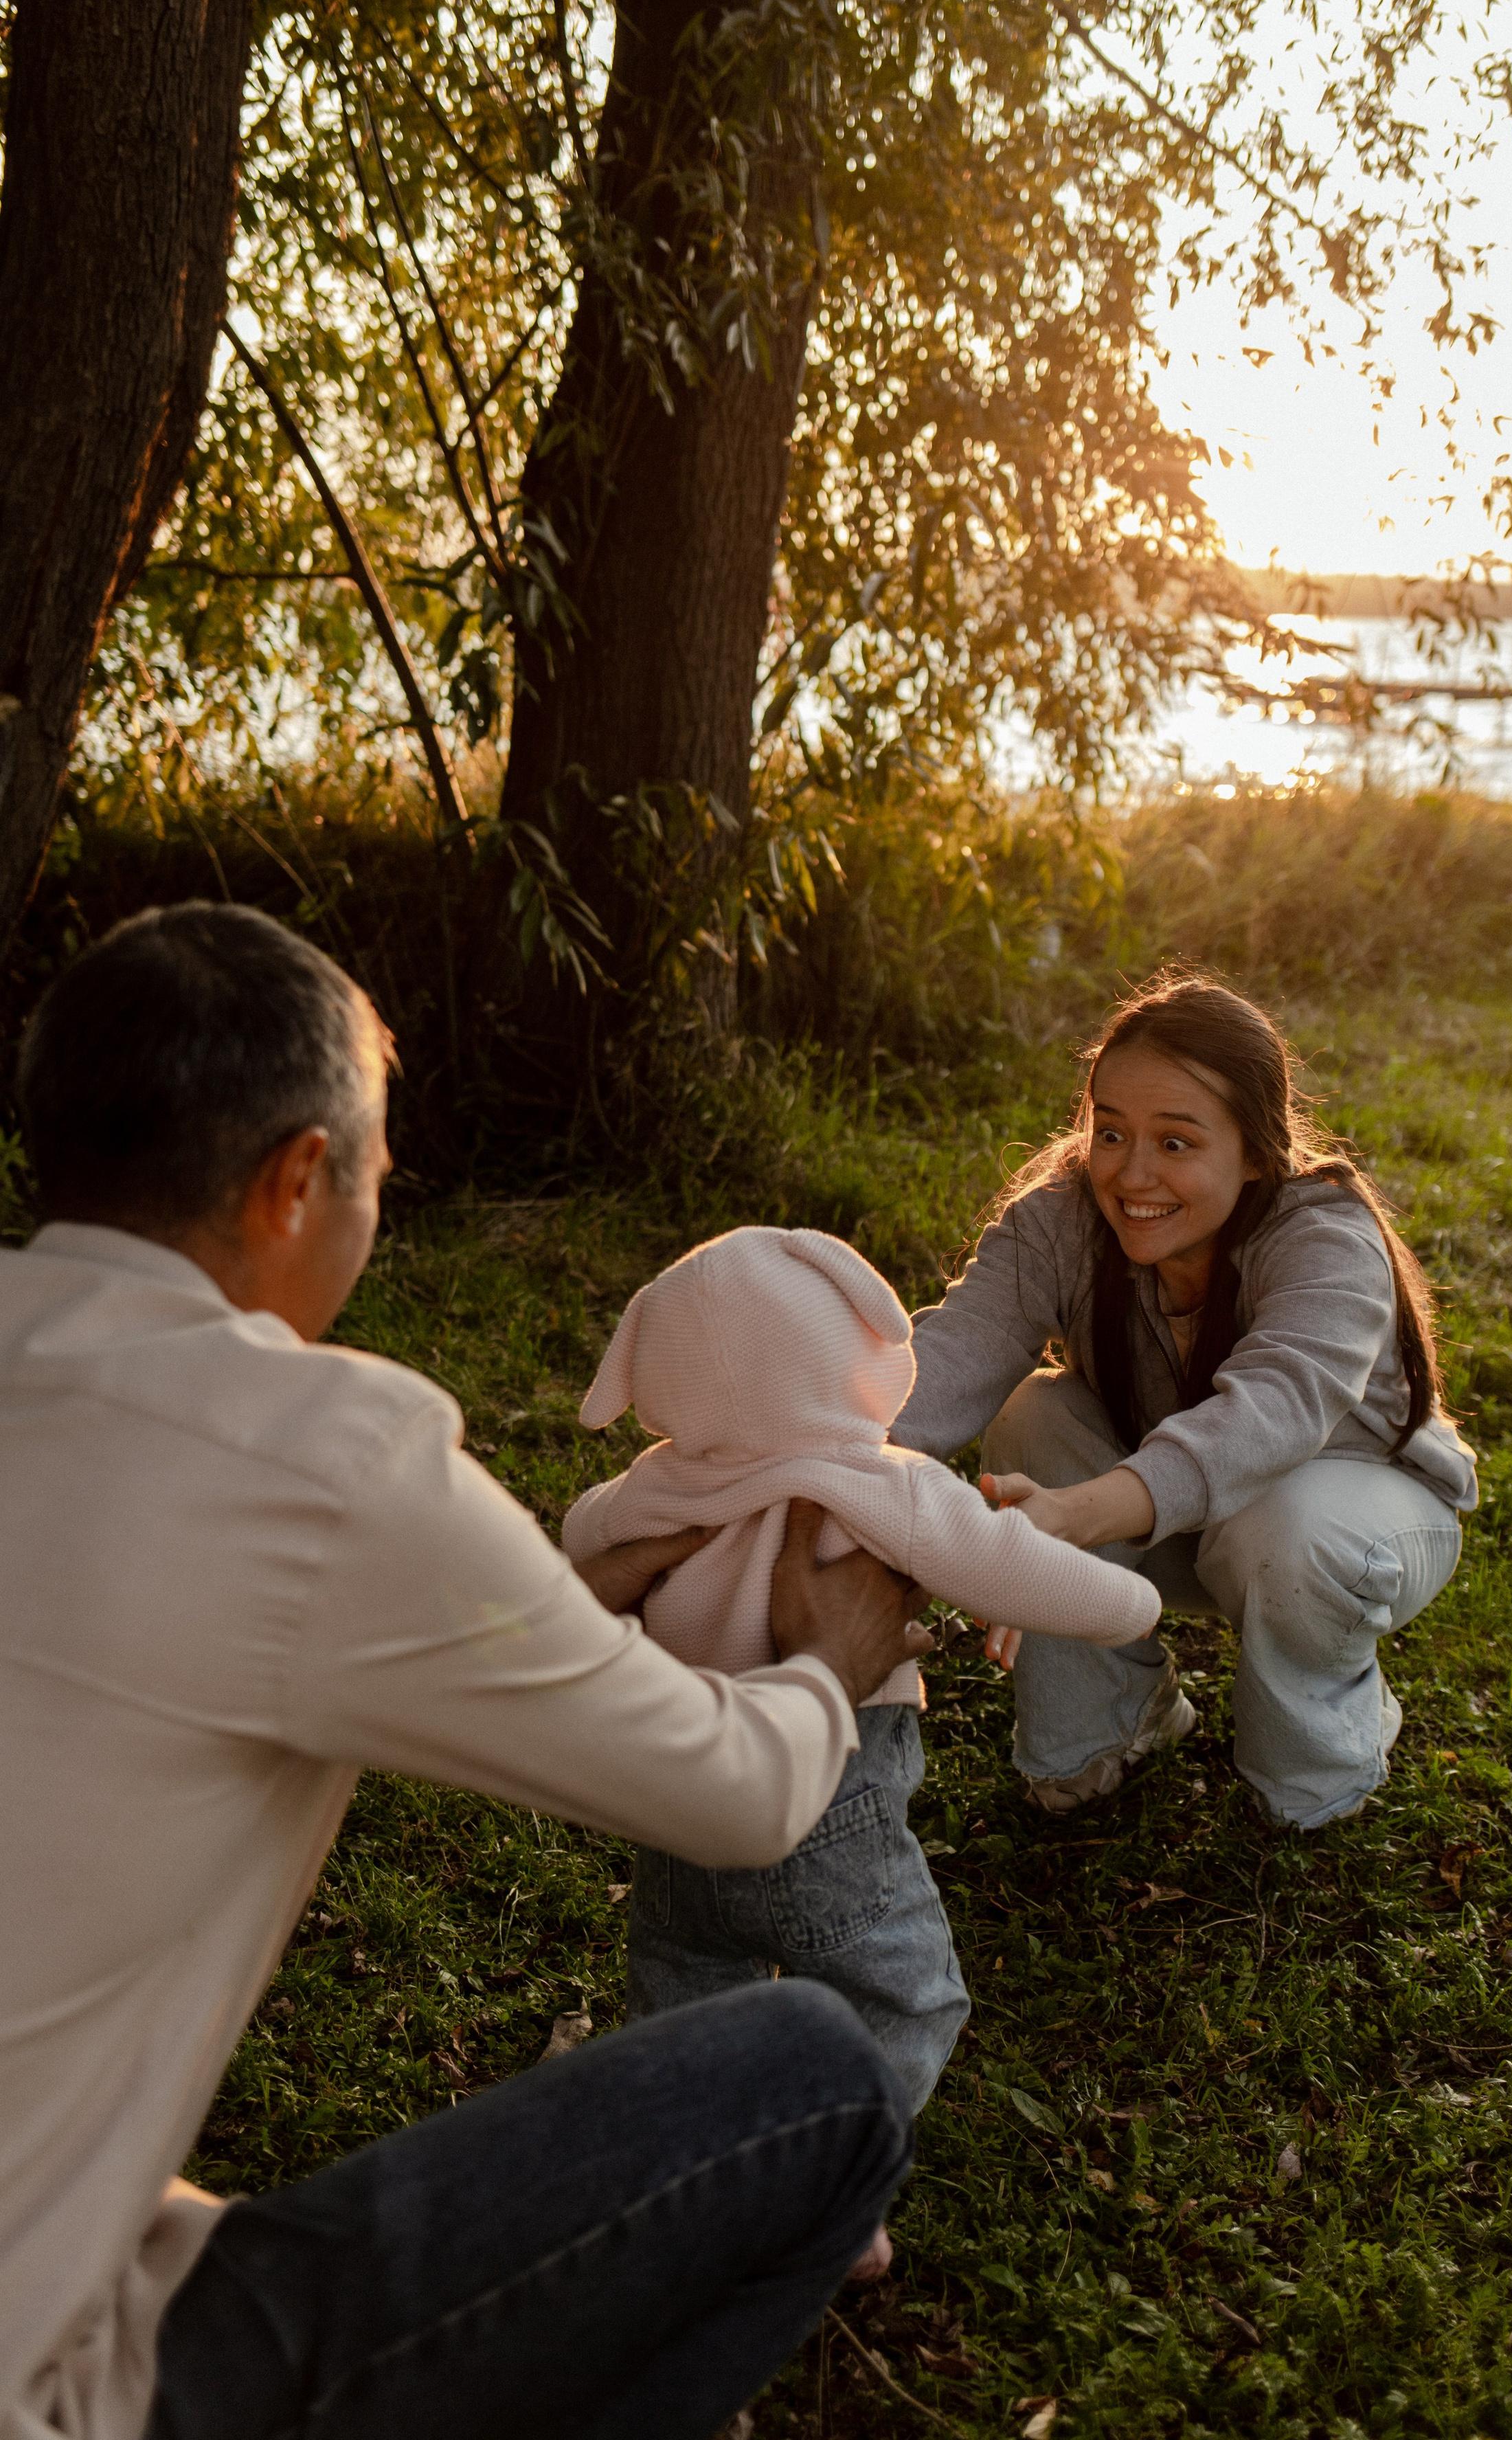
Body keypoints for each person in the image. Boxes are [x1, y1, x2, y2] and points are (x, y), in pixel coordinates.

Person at [0, 902, 931, 2440]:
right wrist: (825, 1665)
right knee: (817, 2080)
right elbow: (735, 1791)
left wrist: (561, 1595)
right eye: (377, 1176)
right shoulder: (317, 1454)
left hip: (87, 2233)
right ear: (298, 1178)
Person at [561, 1222, 1160, 2233]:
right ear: (858, 1343)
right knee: (903, 1997)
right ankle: (828, 2183)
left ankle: (678, 2158)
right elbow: (1015, 1569)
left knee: (689, 1979)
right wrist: (1132, 1608)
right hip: (825, 1807)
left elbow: (582, 1533)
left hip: (682, 1798)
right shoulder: (883, 1484)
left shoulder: (653, 1488)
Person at [890, 972, 1478, 1832]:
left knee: (1287, 1528)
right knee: (1034, 1415)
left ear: (1254, 1151)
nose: (1131, 1174)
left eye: (1175, 1143)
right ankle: (1107, 1731)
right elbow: (948, 1356)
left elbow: (1267, 1412)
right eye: (1111, 1131)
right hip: (1172, 1511)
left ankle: (1317, 1766)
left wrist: (1070, 1518)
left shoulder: (1323, 1236)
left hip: (1348, 1514)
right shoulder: (1058, 1220)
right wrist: (809, 1462)